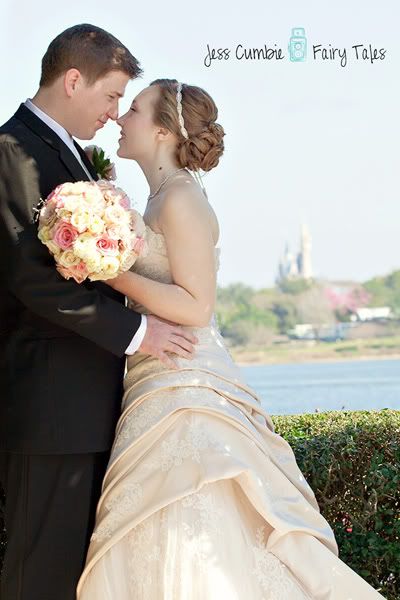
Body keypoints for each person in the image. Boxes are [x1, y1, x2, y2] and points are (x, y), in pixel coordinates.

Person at [76, 79, 386, 599]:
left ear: (160, 130)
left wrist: (107, 272)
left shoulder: (180, 199)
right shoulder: (159, 197)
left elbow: (198, 306)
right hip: (154, 373)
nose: (119, 119)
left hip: (188, 383)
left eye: (132, 109)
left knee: (199, 515)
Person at [0, 27, 197, 600]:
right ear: (72, 80)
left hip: (84, 401)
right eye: (111, 97)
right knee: (40, 574)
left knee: (77, 575)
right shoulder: (13, 151)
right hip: (48, 407)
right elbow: (27, 276)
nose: (115, 114)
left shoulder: (69, 153)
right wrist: (137, 331)